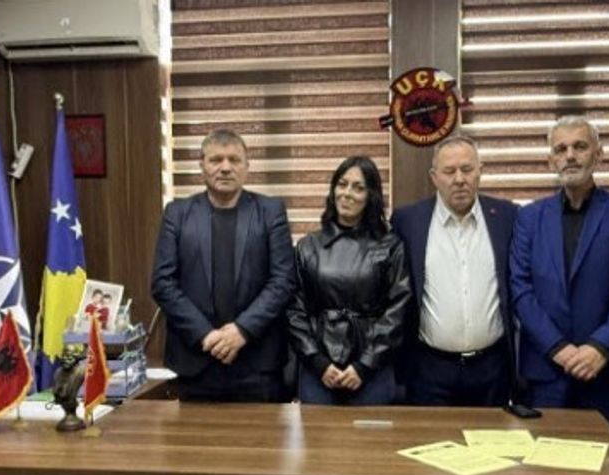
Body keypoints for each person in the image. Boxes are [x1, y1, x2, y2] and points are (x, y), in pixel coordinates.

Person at [509, 115, 609, 437]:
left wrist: (600, 347)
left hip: (605, 369)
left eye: (580, 147)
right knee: (544, 461)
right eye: (561, 149)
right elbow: (520, 288)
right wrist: (558, 348)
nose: (570, 155)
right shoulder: (528, 217)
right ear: (550, 161)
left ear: (598, 155)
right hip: (546, 369)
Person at [151, 129, 296, 402]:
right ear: (202, 165)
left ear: (247, 166)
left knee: (262, 432)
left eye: (234, 160)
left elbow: (283, 281)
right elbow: (163, 283)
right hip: (196, 362)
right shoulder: (177, 214)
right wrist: (206, 336)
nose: (226, 167)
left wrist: (242, 331)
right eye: (216, 159)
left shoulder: (271, 212)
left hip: (257, 362)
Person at [390, 135, 519, 406]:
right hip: (429, 369)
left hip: (493, 368)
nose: (459, 179)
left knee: (489, 435)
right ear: (434, 177)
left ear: (480, 171)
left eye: (467, 169)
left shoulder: (507, 217)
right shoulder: (408, 221)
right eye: (449, 171)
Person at [288, 156, 411, 405]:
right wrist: (318, 362)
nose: (347, 194)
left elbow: (398, 311)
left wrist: (365, 365)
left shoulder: (390, 246)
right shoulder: (307, 246)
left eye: (358, 187)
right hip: (319, 370)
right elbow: (294, 310)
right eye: (342, 184)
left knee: (372, 432)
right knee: (319, 431)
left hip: (373, 368)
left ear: (370, 196)